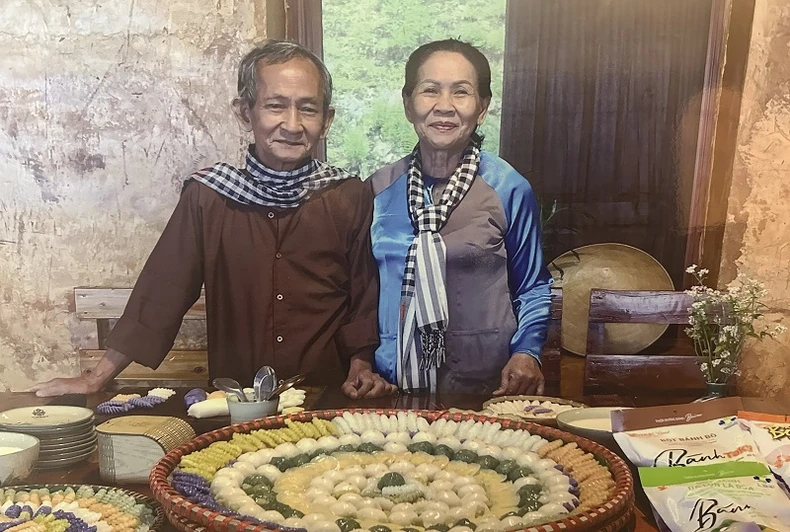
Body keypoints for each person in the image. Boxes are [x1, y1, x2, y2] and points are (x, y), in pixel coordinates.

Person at [30, 40, 396, 399]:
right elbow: (162, 292)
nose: (292, 124)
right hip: (235, 400)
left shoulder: (347, 195)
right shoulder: (209, 196)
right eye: (275, 105)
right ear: (244, 112)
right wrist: (97, 377)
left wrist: (361, 366)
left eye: (308, 109)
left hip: (325, 396)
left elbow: (364, 295)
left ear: (327, 119)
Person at [369, 39, 552, 395]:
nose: (444, 107)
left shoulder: (508, 188)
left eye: (461, 93)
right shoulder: (376, 190)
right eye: (430, 90)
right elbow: (359, 291)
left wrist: (527, 352)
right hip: (390, 387)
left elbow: (533, 287)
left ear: (482, 108)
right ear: (408, 104)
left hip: (482, 388)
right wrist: (360, 361)